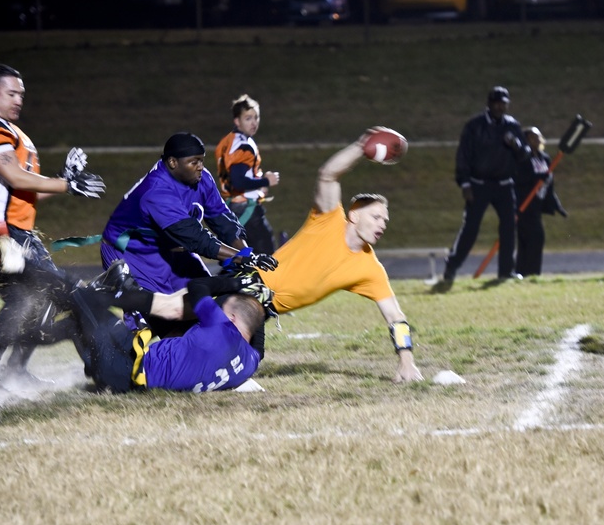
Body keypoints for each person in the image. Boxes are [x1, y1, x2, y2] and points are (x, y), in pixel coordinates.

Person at [0, 63, 106, 384]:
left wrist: (62, 179)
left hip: (18, 231)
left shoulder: (16, 134)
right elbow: (13, 175)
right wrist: (66, 185)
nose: (18, 100)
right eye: (11, 93)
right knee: (25, 298)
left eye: (21, 94)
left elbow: (24, 191)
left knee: (41, 297)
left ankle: (12, 369)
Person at [252, 130, 424, 384]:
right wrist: (361, 146)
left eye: (385, 220)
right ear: (354, 216)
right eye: (376, 217)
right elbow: (328, 175)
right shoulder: (328, 219)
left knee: (245, 362)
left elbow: (396, 317)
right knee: (184, 322)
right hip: (245, 284)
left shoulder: (369, 269)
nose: (382, 224)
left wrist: (407, 362)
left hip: (262, 311)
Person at [100, 131, 276, 337]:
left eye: (201, 160)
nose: (200, 166)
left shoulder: (202, 178)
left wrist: (245, 255)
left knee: (206, 304)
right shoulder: (156, 191)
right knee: (154, 322)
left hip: (171, 250)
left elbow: (221, 219)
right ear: (173, 162)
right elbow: (196, 238)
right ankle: (121, 359)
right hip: (132, 255)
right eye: (194, 162)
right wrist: (241, 257)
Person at [69, 274, 270, 393]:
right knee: (73, 323)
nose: (219, 310)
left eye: (224, 308)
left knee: (81, 296)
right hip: (132, 363)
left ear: (233, 318)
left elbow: (198, 286)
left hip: (125, 370)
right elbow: (257, 343)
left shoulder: (222, 328)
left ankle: (42, 273)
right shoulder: (249, 363)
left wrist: (236, 283)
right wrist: (260, 305)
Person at [440, 86, 532, 287]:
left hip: (504, 185)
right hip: (479, 184)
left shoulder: (512, 125)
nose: (500, 107)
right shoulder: (475, 126)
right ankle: (452, 266)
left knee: (508, 228)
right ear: (489, 104)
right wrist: (465, 183)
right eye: (497, 103)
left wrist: (516, 144)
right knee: (470, 229)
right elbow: (463, 156)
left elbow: (525, 155)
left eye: (504, 103)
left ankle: (506, 271)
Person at [215, 94, 280, 255]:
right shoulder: (244, 145)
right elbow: (238, 181)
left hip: (231, 207)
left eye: (256, 117)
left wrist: (257, 180)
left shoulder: (227, 141)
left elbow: (233, 175)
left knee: (240, 261)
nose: (254, 122)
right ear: (237, 121)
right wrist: (265, 181)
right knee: (267, 258)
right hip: (247, 211)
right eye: (248, 118)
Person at [514, 126, 567, 277]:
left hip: (537, 206)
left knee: (533, 241)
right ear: (526, 140)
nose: (537, 139)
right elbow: (518, 178)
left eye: (538, 136)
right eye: (533, 137)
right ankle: (528, 273)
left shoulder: (544, 158)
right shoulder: (522, 158)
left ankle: (527, 273)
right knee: (534, 239)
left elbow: (549, 184)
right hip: (523, 206)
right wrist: (536, 178)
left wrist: (556, 204)